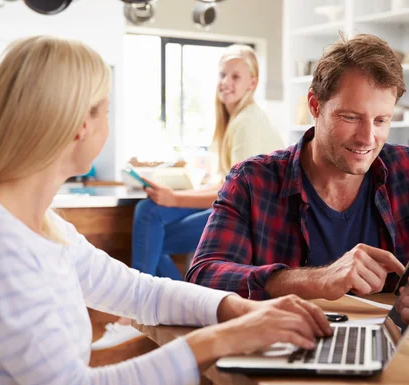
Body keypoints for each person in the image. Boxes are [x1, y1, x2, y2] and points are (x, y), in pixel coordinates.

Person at [0, 36, 331, 385]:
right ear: (79, 125)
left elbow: (143, 293)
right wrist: (228, 337)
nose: (108, 120)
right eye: (105, 109)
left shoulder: (43, 227)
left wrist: (241, 308)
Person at [186, 33, 409, 315]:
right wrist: (316, 279)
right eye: (351, 117)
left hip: (398, 356)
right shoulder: (252, 181)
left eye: (381, 121)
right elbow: (204, 277)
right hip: (285, 353)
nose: (367, 139)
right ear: (315, 104)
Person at [92, 44, 285, 350]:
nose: (226, 81)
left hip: (251, 220)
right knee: (151, 221)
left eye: (236, 76)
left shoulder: (247, 122)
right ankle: (181, 307)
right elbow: (228, 180)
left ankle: (134, 312)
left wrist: (175, 198)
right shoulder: (234, 120)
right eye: (223, 74)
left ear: (253, 83)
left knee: (152, 225)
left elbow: (236, 192)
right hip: (241, 209)